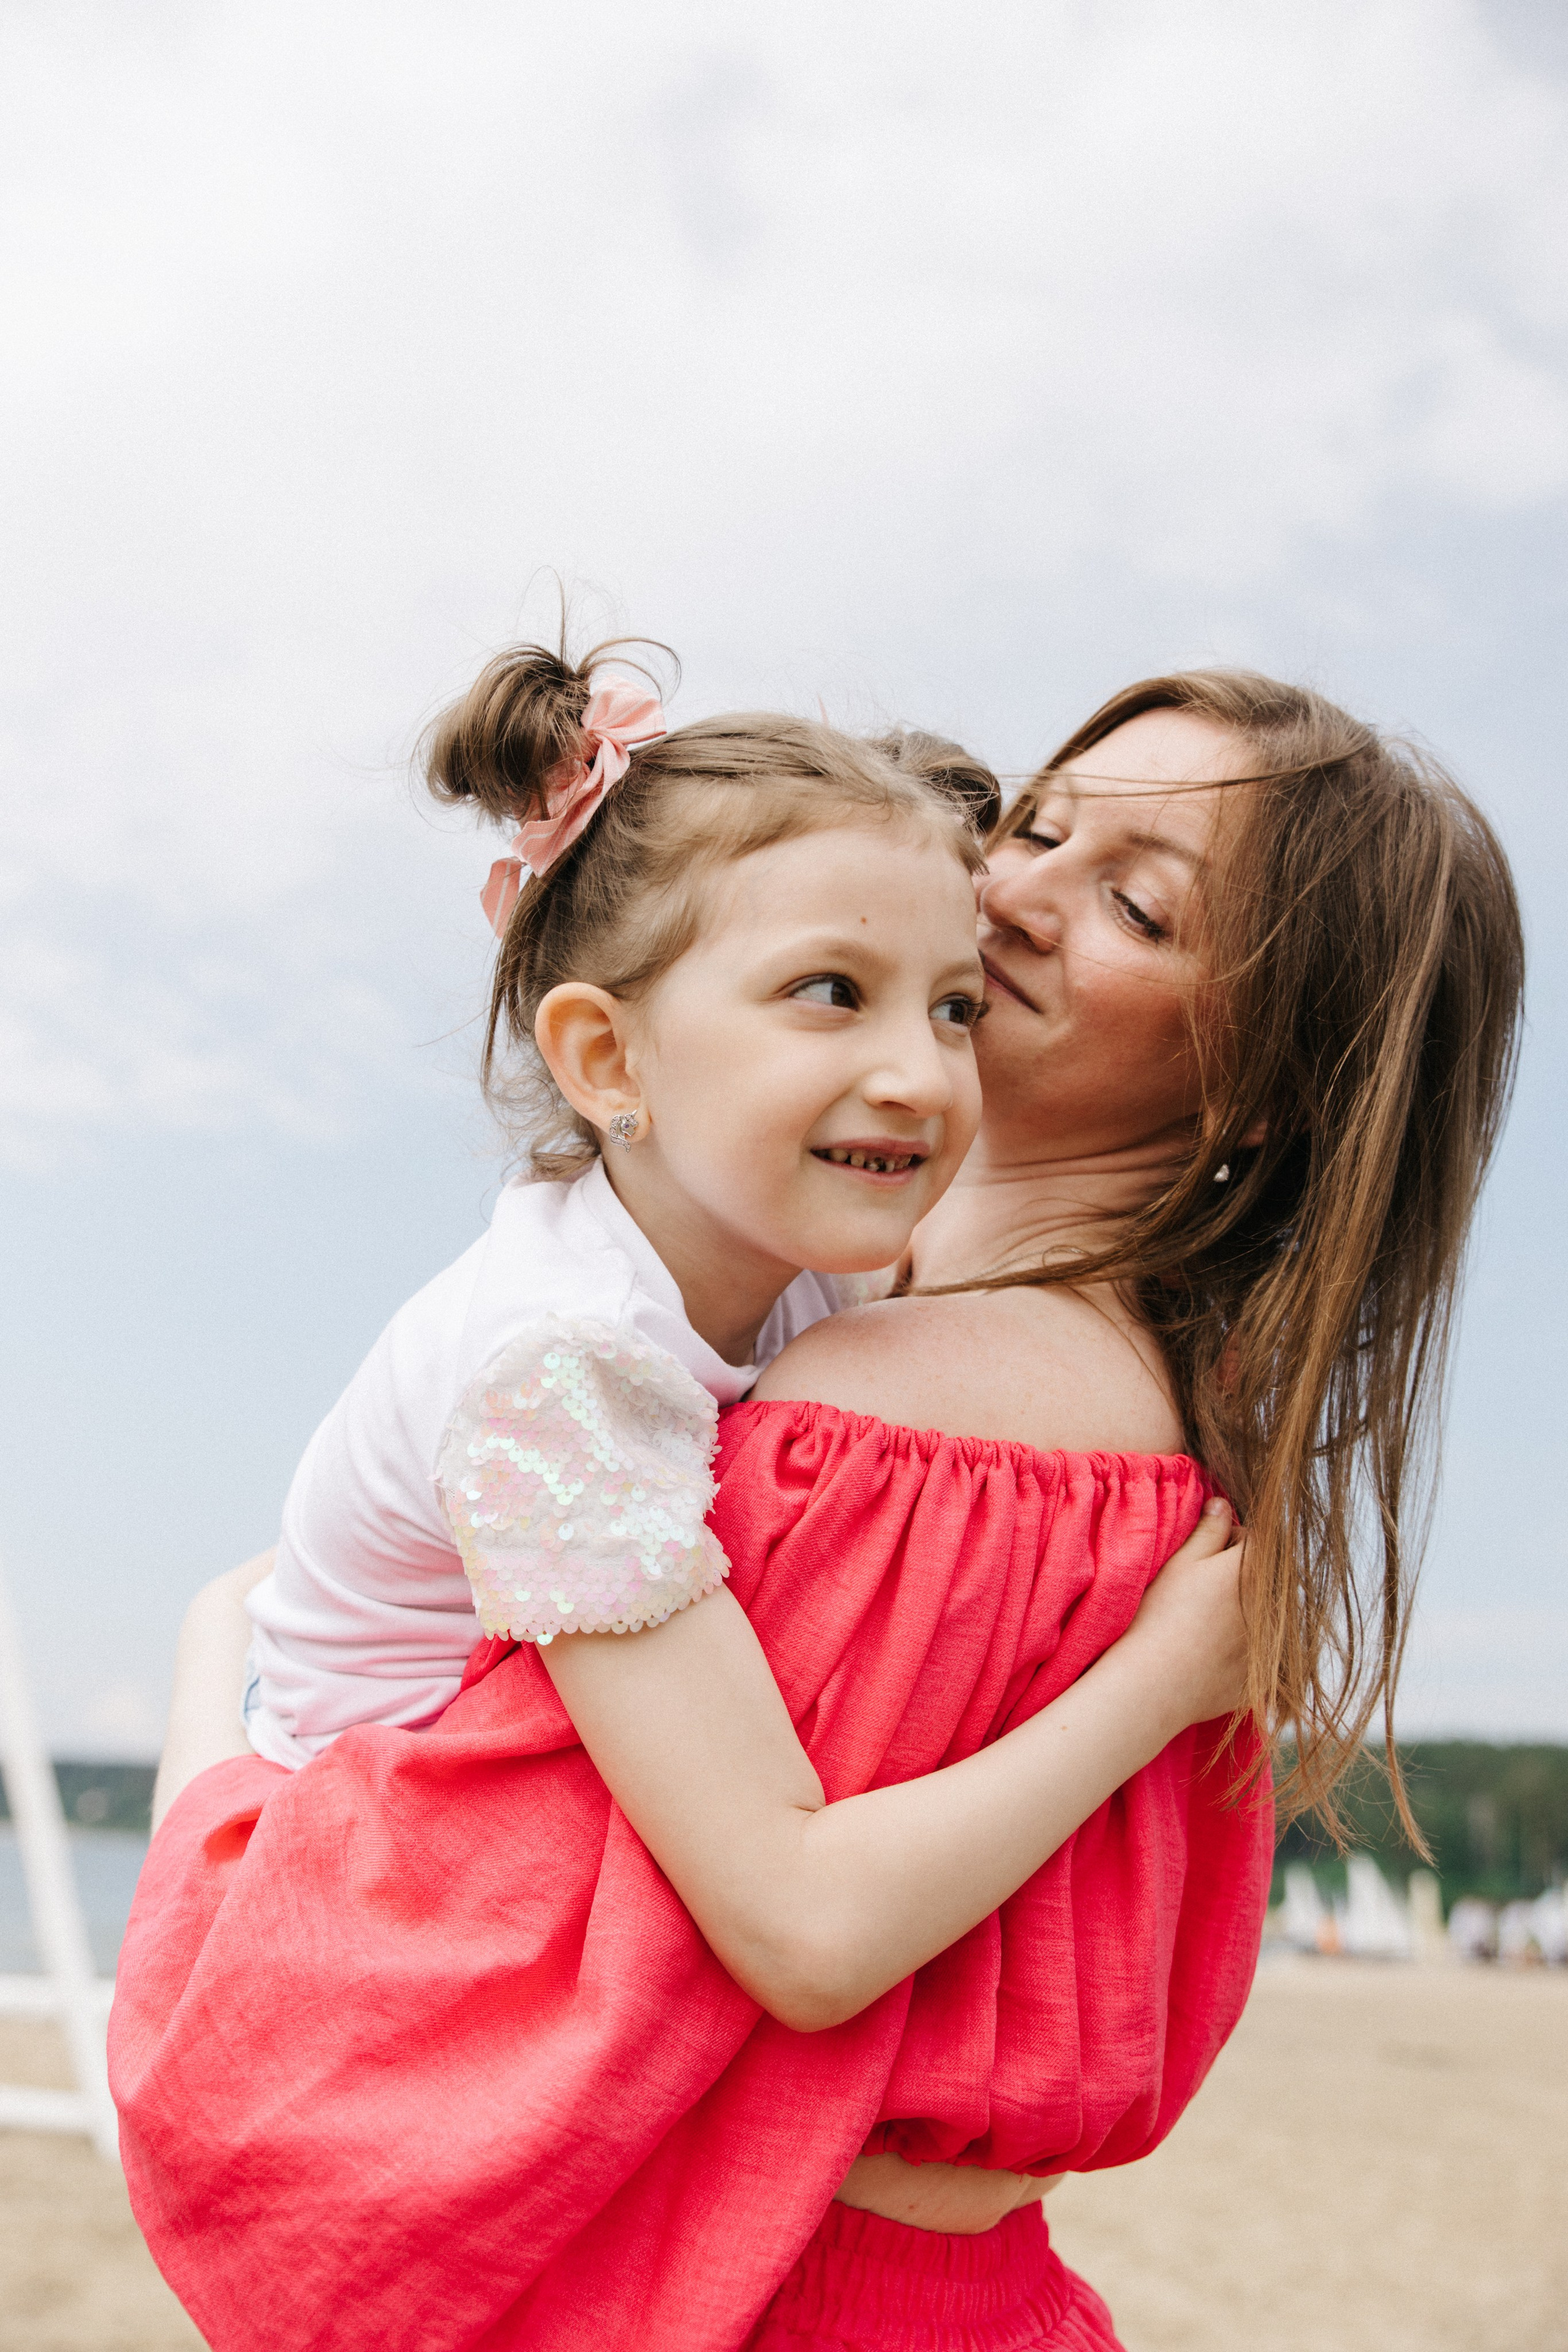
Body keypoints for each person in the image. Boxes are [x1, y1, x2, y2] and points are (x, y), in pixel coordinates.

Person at [113, 666, 1521, 2352]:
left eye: (1137, 905)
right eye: (1037, 824)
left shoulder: (884, 1416)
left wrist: (220, 1679)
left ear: (1261, 1084)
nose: (1013, 891)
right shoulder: (1159, 1436)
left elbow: (580, 1926)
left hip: (760, 2291)